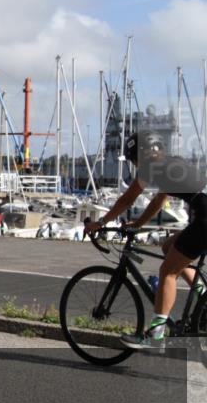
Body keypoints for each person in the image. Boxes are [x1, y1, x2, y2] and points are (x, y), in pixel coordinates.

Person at [84, 131, 207, 349]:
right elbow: (160, 199)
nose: (135, 164)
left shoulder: (152, 167)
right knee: (168, 247)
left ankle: (156, 334)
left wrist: (100, 222)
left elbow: (128, 198)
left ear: (143, 153)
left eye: (133, 158)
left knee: (167, 271)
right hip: (202, 218)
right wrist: (139, 224)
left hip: (204, 220)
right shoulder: (171, 164)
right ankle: (204, 298)